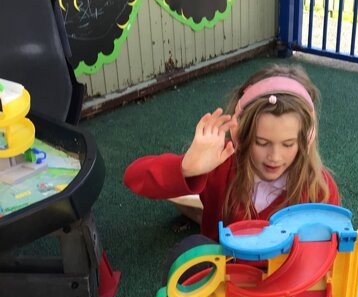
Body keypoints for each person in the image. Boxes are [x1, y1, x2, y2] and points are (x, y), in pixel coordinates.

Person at [123, 64, 340, 242]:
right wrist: (186, 168)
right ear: (240, 133)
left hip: (286, 281)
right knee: (192, 247)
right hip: (221, 276)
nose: (274, 157)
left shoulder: (318, 187)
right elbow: (133, 177)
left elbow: (332, 245)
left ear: (307, 138)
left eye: (288, 144)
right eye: (261, 142)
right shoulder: (222, 163)